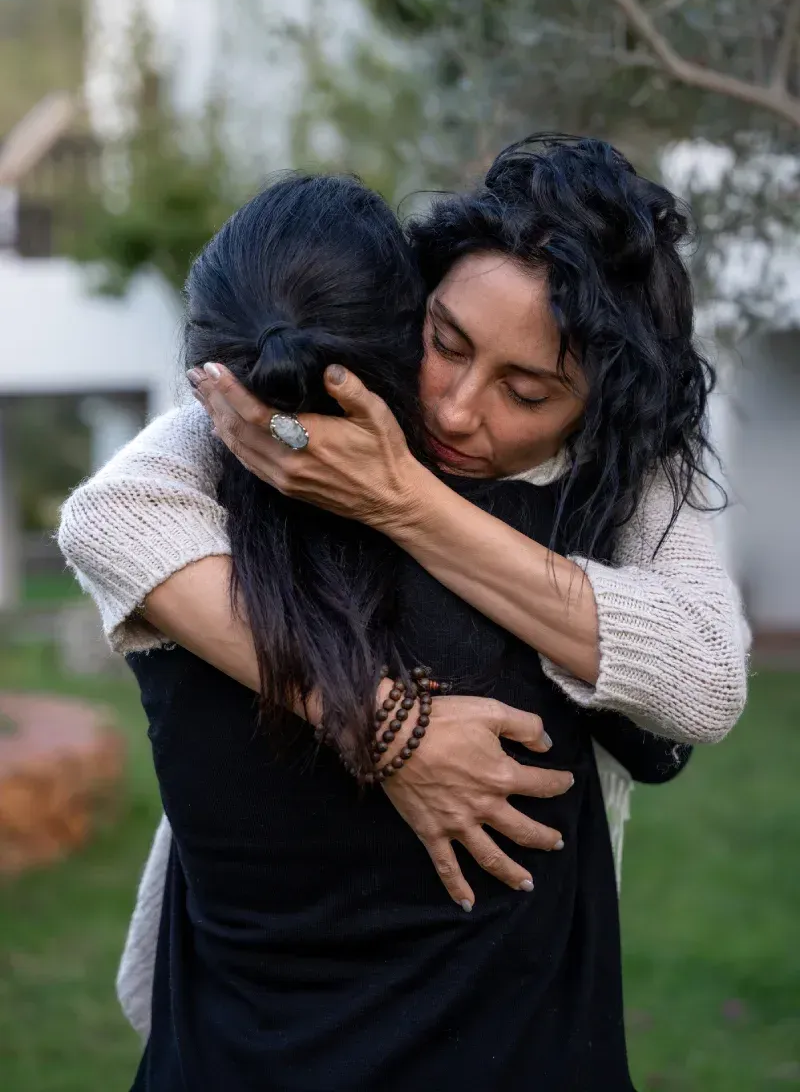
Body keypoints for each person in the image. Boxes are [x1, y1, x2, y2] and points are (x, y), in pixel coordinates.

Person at [58, 137, 747, 1085]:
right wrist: (387, 726)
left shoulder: (627, 471)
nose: (460, 412)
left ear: (600, 409)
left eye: (528, 391)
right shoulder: (313, 406)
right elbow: (108, 516)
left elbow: (704, 680)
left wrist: (406, 503)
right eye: (447, 343)